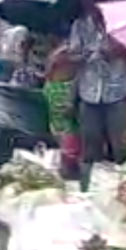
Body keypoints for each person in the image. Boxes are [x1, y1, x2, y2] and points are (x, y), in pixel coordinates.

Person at [67, 0, 126, 191]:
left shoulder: (121, 24)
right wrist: (84, 55)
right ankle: (88, 190)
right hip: (89, 93)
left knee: (122, 147)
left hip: (117, 93)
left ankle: (125, 191)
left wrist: (115, 51)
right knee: (90, 147)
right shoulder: (79, 26)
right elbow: (71, 56)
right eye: (87, 2)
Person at [42, 45, 82, 180]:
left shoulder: (51, 84)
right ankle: (68, 170)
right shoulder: (65, 85)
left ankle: (67, 168)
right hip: (67, 126)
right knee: (68, 144)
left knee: (66, 143)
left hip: (60, 125)